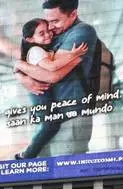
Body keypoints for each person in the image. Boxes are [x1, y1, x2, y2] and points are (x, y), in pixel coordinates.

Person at [10, 18, 89, 159]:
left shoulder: (42, 48)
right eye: (42, 33)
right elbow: (52, 67)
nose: (48, 34)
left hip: (44, 94)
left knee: (50, 124)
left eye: (48, 30)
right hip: (41, 94)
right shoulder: (35, 50)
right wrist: (74, 54)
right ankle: (27, 155)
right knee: (50, 126)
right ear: (30, 39)